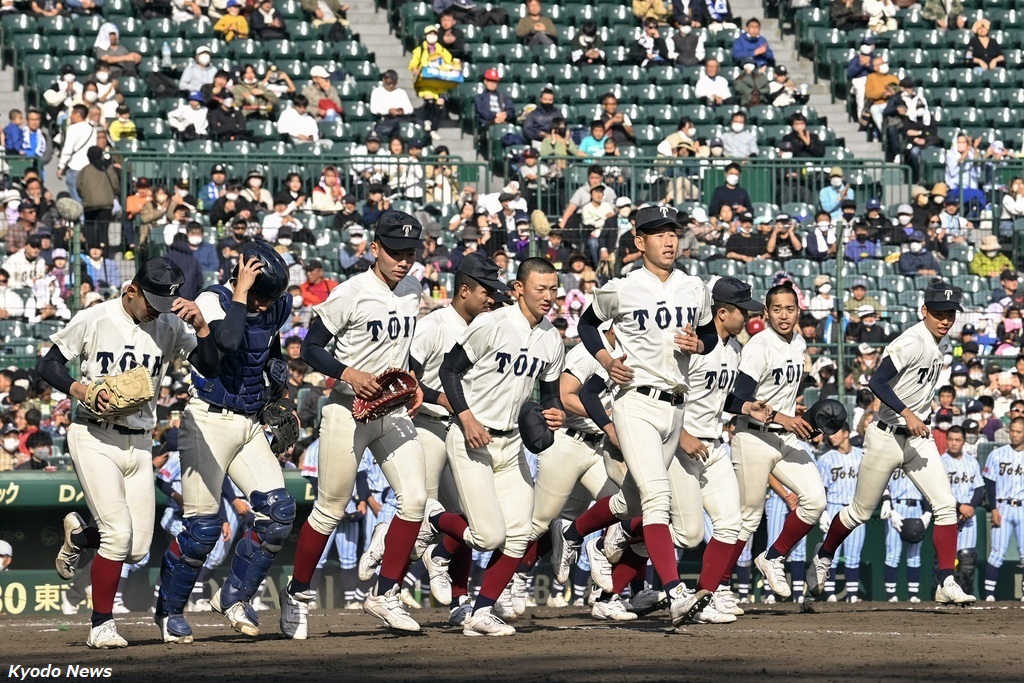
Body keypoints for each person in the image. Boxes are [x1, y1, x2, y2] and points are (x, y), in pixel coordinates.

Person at [43, 257, 213, 648]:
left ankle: (81, 537)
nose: (157, 309)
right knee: (118, 537)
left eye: (164, 303)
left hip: (139, 440)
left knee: (135, 549)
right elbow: (47, 365)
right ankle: (100, 625)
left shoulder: (169, 324)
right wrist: (81, 390)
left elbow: (211, 367)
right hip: (94, 436)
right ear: (130, 291)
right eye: (151, 301)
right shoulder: (96, 318)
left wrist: (202, 328)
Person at [567, 205, 722, 627]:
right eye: (658, 233)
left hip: (676, 406)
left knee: (632, 499)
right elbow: (586, 324)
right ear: (639, 241)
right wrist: (604, 358)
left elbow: (708, 334)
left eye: (673, 231)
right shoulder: (622, 287)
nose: (669, 240)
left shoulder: (694, 287)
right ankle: (674, 592)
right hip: (635, 401)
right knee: (658, 498)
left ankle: (574, 535)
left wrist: (701, 347)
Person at [282, 211, 431, 637]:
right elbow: (310, 349)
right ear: (375, 248)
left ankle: (384, 594)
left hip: (393, 409)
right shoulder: (350, 293)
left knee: (415, 501)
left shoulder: (412, 288)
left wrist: (413, 380)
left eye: (410, 252)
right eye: (395, 251)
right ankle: (296, 594)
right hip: (347, 408)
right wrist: (349, 374)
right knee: (330, 508)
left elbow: (405, 346)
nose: (404, 260)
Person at [154, 243, 296, 643]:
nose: (267, 305)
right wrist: (240, 290)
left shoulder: (275, 308)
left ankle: (235, 597)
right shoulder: (211, 300)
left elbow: (264, 346)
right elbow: (230, 341)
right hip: (209, 420)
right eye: (261, 296)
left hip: (249, 421)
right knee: (202, 529)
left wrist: (277, 383)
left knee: (278, 514)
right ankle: (170, 612)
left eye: (272, 298)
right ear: (242, 280)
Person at [807, 281, 976, 606]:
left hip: (917, 438)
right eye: (938, 312)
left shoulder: (941, 343)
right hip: (886, 434)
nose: (945, 319)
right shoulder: (912, 340)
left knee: (945, 506)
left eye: (950, 313)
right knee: (860, 511)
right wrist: (908, 413)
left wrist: (917, 415)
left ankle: (946, 582)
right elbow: (876, 380)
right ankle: (824, 554)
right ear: (924, 310)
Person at [723, 284, 825, 600]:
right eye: (777, 309)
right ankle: (719, 587)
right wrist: (785, 419)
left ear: (798, 311)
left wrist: (806, 425)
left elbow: (786, 397)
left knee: (815, 501)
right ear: (766, 313)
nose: (784, 315)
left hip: (785, 437)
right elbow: (734, 399)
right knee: (749, 516)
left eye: (790, 308)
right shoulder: (759, 346)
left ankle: (772, 556)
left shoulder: (798, 342)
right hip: (753, 436)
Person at [815, 425, 866, 602]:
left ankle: (852, 595)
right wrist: (823, 513)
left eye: (835, 432)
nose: (830, 436)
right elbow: (821, 489)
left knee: (853, 555)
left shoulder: (861, 455)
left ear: (846, 434)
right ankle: (830, 595)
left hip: (855, 508)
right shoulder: (826, 458)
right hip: (834, 506)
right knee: (832, 554)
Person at [980, 419, 1024, 600]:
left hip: (1022, 506)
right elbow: (990, 482)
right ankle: (989, 594)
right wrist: (994, 509)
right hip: (1003, 506)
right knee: (997, 552)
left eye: (1018, 432)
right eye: (1012, 431)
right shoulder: (997, 454)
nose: (1014, 434)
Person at [941, 426, 983, 595]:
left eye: (957, 440)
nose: (953, 443)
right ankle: (942, 594)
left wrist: (969, 508)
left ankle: (965, 594)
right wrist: (960, 507)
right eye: (951, 439)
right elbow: (939, 491)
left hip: (968, 517)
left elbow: (980, 489)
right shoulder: (940, 461)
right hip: (947, 513)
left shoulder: (971, 461)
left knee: (967, 558)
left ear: (963, 442)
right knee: (944, 560)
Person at [56, 104, 96, 203]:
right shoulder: (92, 129)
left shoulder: (72, 128)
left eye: (72, 113)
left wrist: (61, 166)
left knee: (77, 201)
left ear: (78, 114)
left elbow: (68, 149)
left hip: (75, 168)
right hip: (88, 168)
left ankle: (80, 219)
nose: (71, 116)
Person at [370, 70, 414, 138]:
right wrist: (389, 110)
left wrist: (402, 111)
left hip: (400, 120)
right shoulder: (377, 92)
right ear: (384, 80)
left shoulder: (401, 92)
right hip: (384, 121)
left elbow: (410, 108)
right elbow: (373, 109)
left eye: (394, 83)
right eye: (389, 83)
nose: (391, 85)